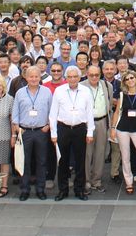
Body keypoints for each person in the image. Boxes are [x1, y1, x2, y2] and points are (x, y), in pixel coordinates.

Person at [49, 66, 93, 201]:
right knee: (62, 160)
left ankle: (79, 190)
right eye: (70, 77)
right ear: (66, 78)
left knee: (80, 161)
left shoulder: (86, 91)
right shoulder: (59, 91)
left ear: (79, 78)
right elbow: (53, 113)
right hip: (63, 129)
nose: (72, 79)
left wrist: (90, 131)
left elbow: (90, 112)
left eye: (75, 77)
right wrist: (53, 133)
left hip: (80, 129)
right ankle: (63, 190)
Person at [11, 66, 53, 200]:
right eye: (31, 76)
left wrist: (48, 126)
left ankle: (41, 189)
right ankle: (25, 189)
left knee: (41, 161)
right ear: (26, 78)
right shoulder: (20, 93)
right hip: (25, 132)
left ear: (40, 77)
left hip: (41, 131)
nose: (34, 79)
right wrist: (17, 127)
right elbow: (15, 112)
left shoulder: (47, 92)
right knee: (24, 162)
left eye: (36, 76)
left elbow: (52, 111)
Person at [83, 65, 113, 192]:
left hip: (102, 121)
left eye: (97, 75)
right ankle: (86, 181)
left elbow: (110, 104)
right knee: (87, 153)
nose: (94, 77)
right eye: (91, 75)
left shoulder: (107, 86)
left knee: (100, 152)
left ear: (100, 74)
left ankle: (97, 180)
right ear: (87, 74)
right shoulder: (81, 86)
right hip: (86, 124)